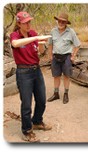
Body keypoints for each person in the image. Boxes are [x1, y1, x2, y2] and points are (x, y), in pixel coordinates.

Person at [10, 11, 52, 142]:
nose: (28, 24)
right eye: (25, 22)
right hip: (23, 73)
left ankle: (37, 121)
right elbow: (15, 44)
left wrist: (41, 43)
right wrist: (35, 39)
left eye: (29, 21)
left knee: (41, 99)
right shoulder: (14, 35)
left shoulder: (33, 33)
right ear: (18, 23)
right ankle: (27, 130)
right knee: (26, 103)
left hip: (36, 70)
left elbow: (39, 52)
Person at [47, 12, 81, 104]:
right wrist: (50, 55)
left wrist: (73, 56)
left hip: (66, 57)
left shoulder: (71, 32)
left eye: (63, 22)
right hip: (55, 56)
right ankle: (56, 93)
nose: (61, 23)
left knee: (66, 75)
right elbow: (50, 44)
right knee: (56, 76)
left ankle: (66, 94)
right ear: (57, 21)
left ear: (66, 23)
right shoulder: (53, 31)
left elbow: (77, 45)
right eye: (60, 21)